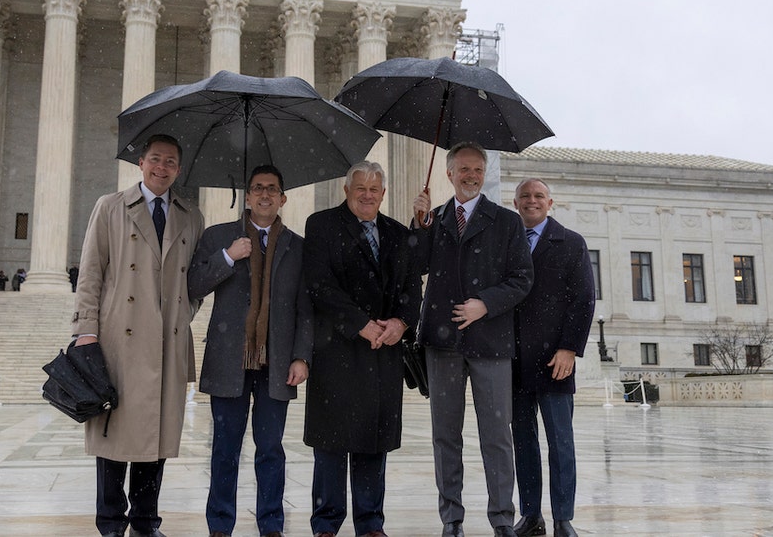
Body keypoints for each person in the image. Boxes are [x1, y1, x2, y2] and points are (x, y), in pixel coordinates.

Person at [72, 133, 204, 537]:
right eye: (155, 159)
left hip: (166, 343)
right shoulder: (110, 207)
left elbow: (193, 283)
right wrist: (85, 331)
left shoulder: (191, 216)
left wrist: (182, 312)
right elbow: (91, 272)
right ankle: (111, 524)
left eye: (169, 162)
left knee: (155, 438)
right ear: (141, 163)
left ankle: (146, 522)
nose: (161, 168)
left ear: (178, 170)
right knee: (115, 438)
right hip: (118, 341)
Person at [411, 142, 534, 537]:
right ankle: (452, 519)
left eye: (477, 169)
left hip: (491, 343)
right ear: (449, 173)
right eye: (463, 169)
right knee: (445, 436)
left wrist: (485, 303)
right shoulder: (435, 218)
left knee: (496, 436)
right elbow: (412, 266)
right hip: (443, 343)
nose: (471, 175)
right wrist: (417, 224)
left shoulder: (506, 222)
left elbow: (522, 279)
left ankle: (501, 518)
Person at [188, 165, 313, 537]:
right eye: (258, 188)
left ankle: (271, 524)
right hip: (230, 359)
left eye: (272, 189)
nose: (264, 195)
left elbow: (305, 308)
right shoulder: (219, 237)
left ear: (283, 198)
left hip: (276, 363)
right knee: (225, 448)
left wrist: (301, 356)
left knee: (270, 449)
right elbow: (195, 284)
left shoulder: (297, 246)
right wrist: (227, 257)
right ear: (247, 195)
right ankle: (220, 525)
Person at [302, 160, 422, 537]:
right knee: (332, 444)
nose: (367, 195)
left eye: (374, 189)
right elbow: (320, 286)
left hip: (382, 352)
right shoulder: (321, 225)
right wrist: (360, 324)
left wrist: (401, 322)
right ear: (347, 191)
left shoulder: (400, 234)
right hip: (337, 349)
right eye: (361, 189)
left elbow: (412, 289)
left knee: (374, 442)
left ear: (383, 194)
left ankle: (370, 523)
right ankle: (326, 523)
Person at [509, 179, 596, 537]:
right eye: (525, 196)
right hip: (513, 360)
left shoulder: (571, 242)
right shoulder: (506, 242)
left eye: (538, 196)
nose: (532, 201)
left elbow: (584, 299)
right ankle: (531, 516)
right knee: (524, 443)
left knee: (561, 442)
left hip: (555, 360)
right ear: (515, 203)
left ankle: (563, 518)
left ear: (550, 202)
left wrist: (569, 348)